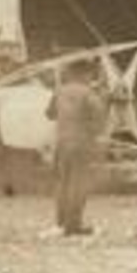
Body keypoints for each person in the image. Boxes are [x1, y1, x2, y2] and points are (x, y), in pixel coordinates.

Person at [46, 61, 107, 236]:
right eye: (90, 75)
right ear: (84, 75)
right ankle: (74, 225)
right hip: (81, 144)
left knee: (62, 183)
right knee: (78, 184)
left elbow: (49, 114)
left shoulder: (59, 91)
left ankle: (61, 223)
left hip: (62, 143)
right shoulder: (88, 93)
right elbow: (99, 117)